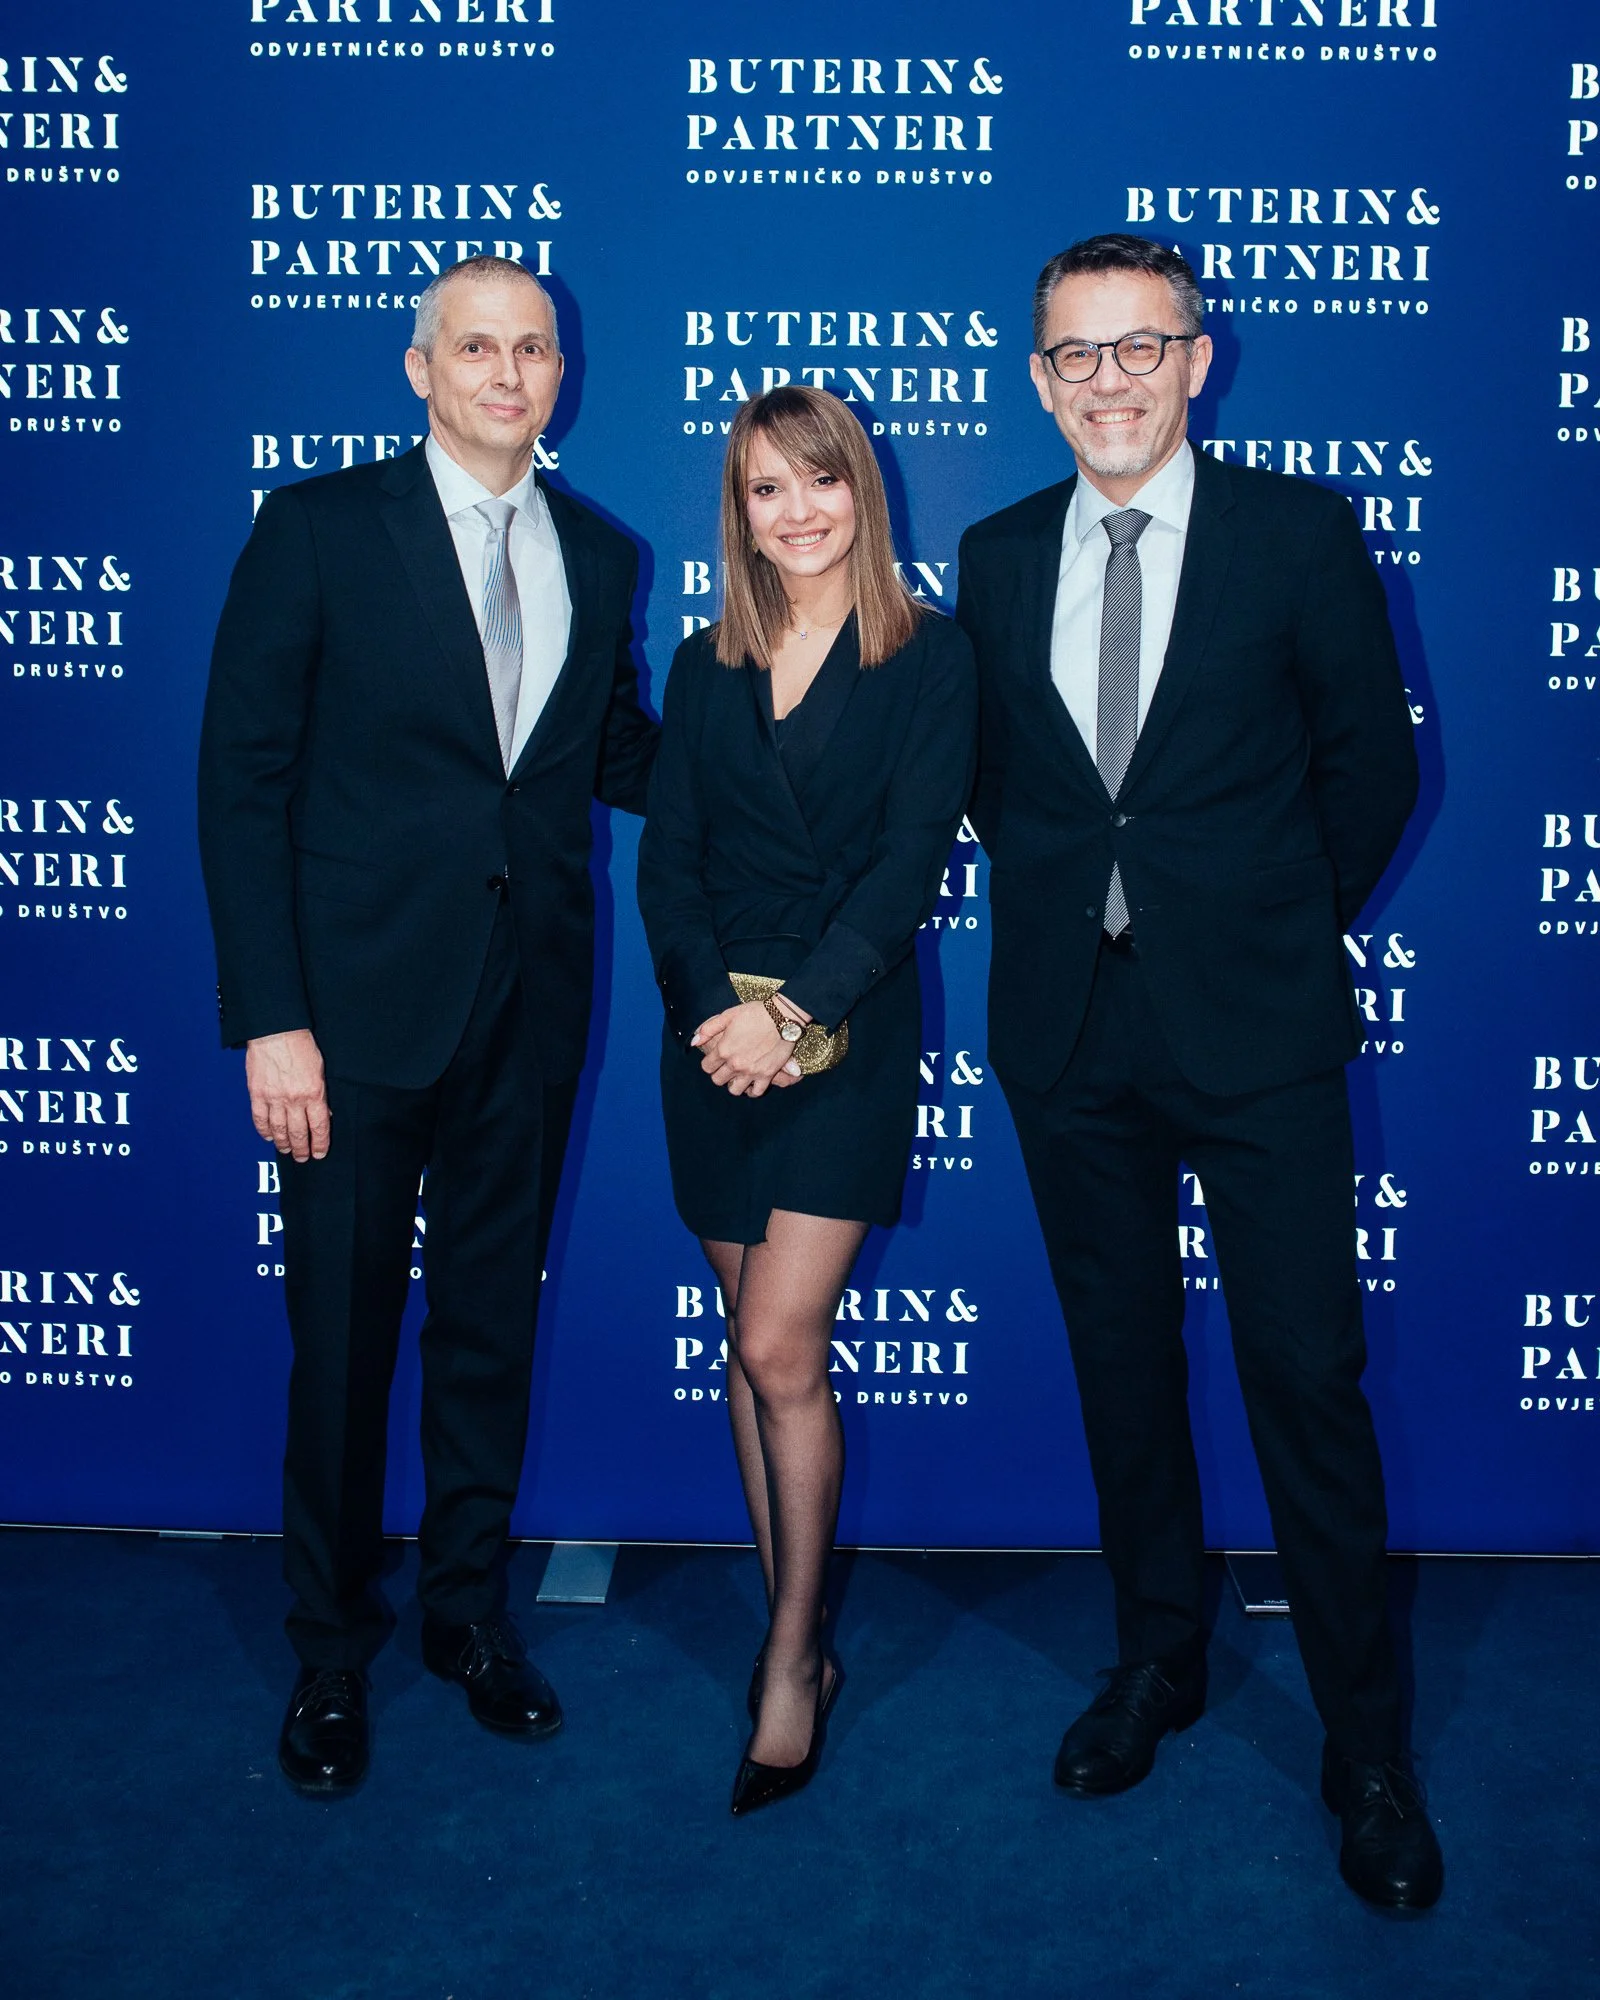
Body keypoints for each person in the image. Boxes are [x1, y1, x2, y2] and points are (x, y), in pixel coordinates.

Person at [956, 235, 1443, 1910]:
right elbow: (1004, 789)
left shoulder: (1300, 533)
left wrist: (1260, 928)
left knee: (1304, 1375)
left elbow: (1372, 769)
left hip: (1256, 1034)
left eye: (1140, 346)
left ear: (1197, 359)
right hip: (1067, 1033)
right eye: (1076, 355)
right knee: (1122, 1363)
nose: (1110, 380)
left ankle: (1366, 1746)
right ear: (1038, 378)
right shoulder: (998, 551)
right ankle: (1156, 1658)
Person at [197, 255, 657, 1794]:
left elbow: (620, 755)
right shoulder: (320, 531)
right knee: (337, 1346)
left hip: (527, 1014)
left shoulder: (602, 550)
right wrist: (272, 1020)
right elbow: (241, 781)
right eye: (477, 347)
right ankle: (329, 1653)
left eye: (532, 348)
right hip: (348, 1025)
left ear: (560, 373)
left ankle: (467, 1617)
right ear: (420, 369)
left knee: (486, 1332)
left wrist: (808, 702)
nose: (508, 374)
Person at [638, 386, 976, 1816]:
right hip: (713, 1042)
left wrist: (794, 1013)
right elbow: (669, 865)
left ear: (863, 495)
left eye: (820, 483)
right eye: (767, 490)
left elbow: (909, 868)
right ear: (740, 511)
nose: (798, 512)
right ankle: (798, 1630)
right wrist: (717, 1017)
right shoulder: (702, 665)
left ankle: (791, 1657)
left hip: (841, 1035)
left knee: (784, 1346)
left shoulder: (933, 658)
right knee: (742, 1341)